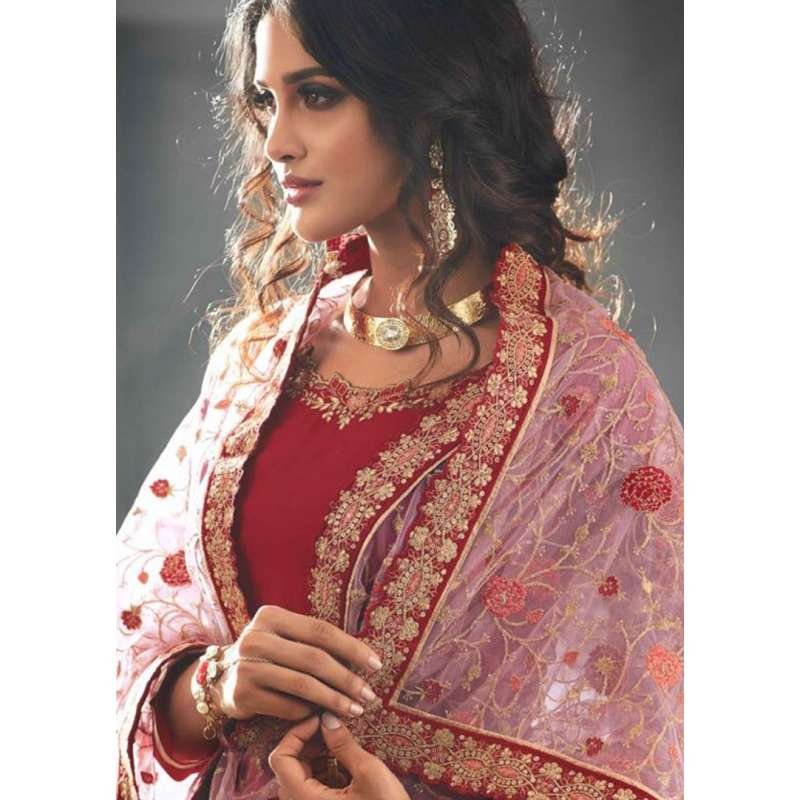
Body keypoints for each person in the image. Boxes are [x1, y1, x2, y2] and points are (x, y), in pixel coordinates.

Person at [117, 2, 683, 799]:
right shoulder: (261, 360)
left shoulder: (587, 392)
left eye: (317, 95)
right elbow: (132, 633)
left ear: (425, 101)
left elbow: (632, 738)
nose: (277, 142)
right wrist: (213, 687)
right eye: (267, 100)